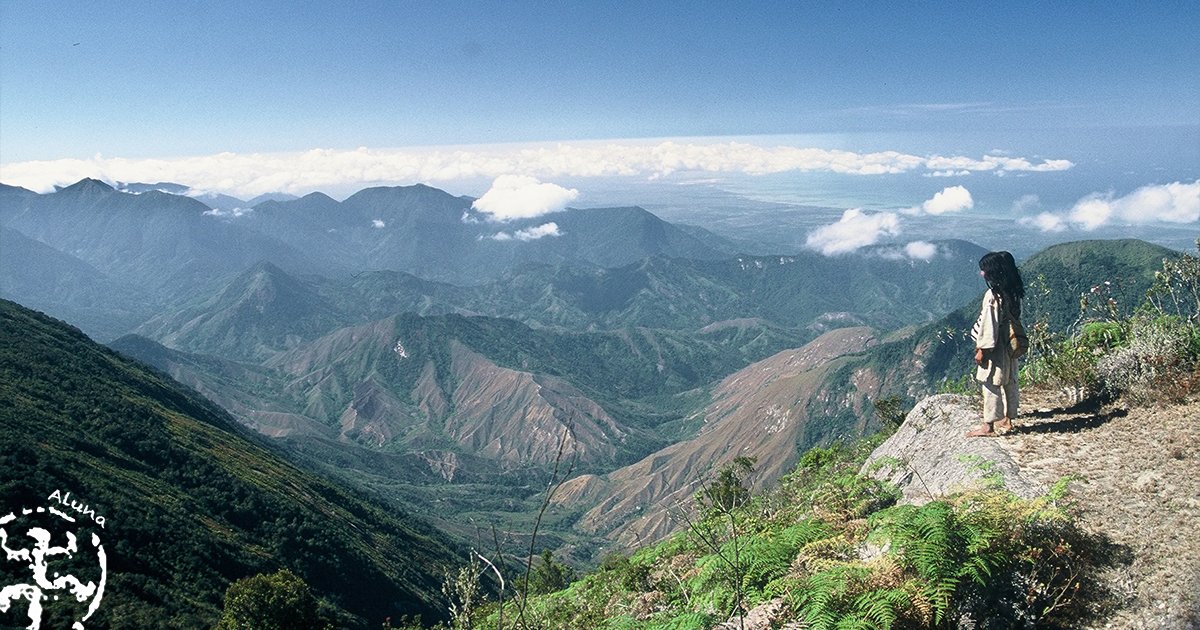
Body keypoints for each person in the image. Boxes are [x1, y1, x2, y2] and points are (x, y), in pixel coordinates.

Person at [966, 251, 1025, 437]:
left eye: (984, 270)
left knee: (990, 382)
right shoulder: (1013, 292)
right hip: (1009, 344)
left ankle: (988, 425)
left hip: (996, 347)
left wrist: (982, 350)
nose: (982, 273)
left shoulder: (992, 296)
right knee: (1009, 380)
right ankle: (1008, 419)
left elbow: (988, 326)